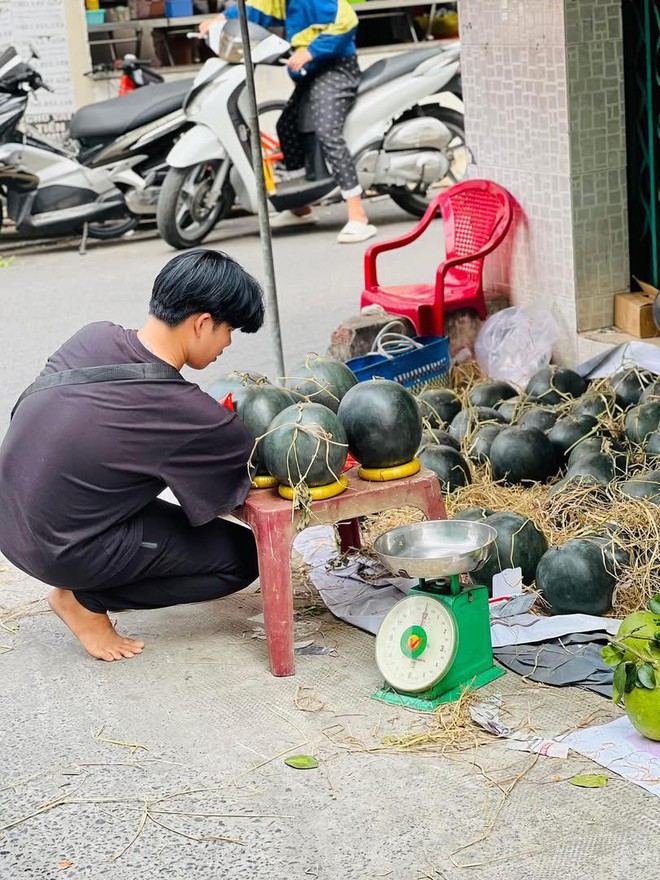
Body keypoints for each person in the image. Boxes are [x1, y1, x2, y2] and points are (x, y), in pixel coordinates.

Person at [0, 249, 264, 662]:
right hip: (58, 548)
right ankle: (84, 600)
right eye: (229, 330)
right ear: (202, 323)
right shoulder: (187, 412)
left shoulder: (93, 336)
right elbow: (234, 497)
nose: (228, 344)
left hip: (12, 519)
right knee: (244, 557)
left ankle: (82, 583)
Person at [201, 0, 377, 244]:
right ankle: (300, 208)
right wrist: (221, 21)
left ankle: (357, 213)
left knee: (327, 131)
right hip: (310, 73)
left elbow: (347, 21)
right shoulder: (280, 1)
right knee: (286, 126)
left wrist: (311, 51)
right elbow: (253, 11)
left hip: (336, 70)